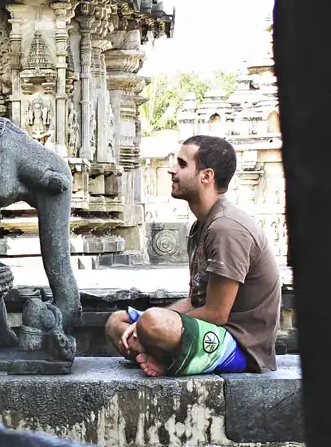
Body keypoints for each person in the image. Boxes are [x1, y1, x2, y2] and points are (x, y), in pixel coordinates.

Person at [105, 135, 281, 377]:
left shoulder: (226, 227)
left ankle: (168, 359)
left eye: (182, 164)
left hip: (240, 344)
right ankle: (165, 357)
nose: (172, 170)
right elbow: (192, 301)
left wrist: (147, 324)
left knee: (151, 323)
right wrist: (142, 324)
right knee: (117, 322)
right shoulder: (201, 226)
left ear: (206, 176)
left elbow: (217, 313)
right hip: (206, 329)